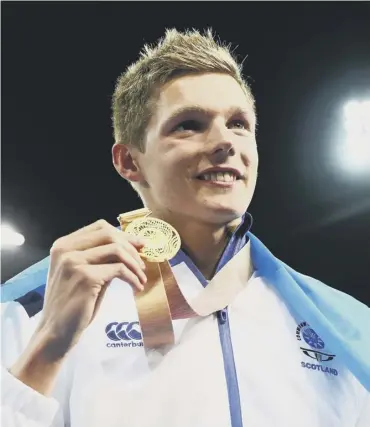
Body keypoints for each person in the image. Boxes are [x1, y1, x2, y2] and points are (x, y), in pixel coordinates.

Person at [1, 28, 369, 427]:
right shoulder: (35, 305)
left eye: (238, 124)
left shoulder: (343, 323)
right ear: (129, 162)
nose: (224, 141)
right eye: (189, 124)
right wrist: (49, 348)